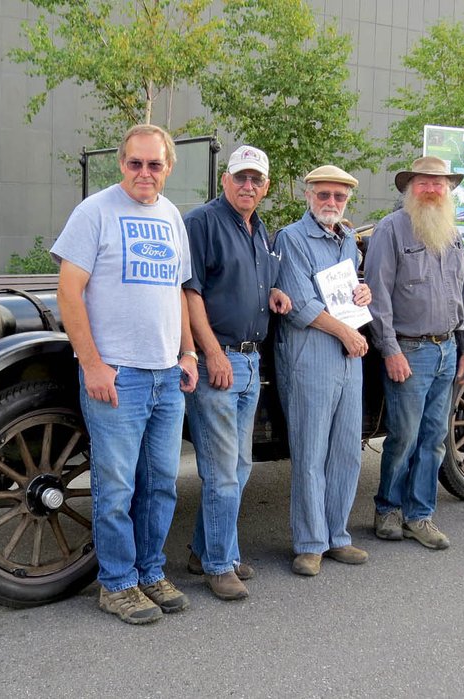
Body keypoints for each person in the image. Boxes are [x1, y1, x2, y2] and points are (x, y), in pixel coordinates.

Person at [51, 124, 199, 625]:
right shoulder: (94, 212)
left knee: (161, 484)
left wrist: (189, 353)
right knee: (115, 488)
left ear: (168, 168)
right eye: (135, 163)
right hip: (118, 376)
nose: (144, 172)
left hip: (165, 375)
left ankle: (150, 571)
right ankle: (117, 584)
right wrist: (92, 363)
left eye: (154, 164)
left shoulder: (172, 216)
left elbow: (178, 292)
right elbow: (69, 292)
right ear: (122, 164)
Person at [182, 145, 292, 601]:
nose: (248, 186)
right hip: (218, 362)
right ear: (225, 180)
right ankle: (218, 564)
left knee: (241, 466)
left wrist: (275, 294)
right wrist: (211, 352)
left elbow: (253, 281)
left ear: (264, 188)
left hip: (249, 361)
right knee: (222, 470)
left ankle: (203, 548)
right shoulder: (202, 222)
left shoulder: (260, 230)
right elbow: (190, 293)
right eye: (240, 178)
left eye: (256, 180)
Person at [365, 156, 464, 551]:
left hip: (447, 349)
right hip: (410, 351)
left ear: (448, 189)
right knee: (404, 437)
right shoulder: (390, 230)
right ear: (410, 187)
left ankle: (420, 516)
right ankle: (388, 509)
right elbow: (376, 298)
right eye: (424, 183)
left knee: (433, 439)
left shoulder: (453, 234)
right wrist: (390, 350)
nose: (432, 189)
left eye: (439, 184)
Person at [274, 164, 372, 576]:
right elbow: (300, 304)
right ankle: (310, 542)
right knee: (311, 451)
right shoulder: (291, 238)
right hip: (311, 354)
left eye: (339, 196)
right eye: (323, 195)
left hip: (348, 355)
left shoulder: (347, 238)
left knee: (347, 449)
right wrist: (347, 334)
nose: (331, 203)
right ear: (308, 195)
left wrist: (363, 292)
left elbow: (346, 292)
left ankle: (338, 536)